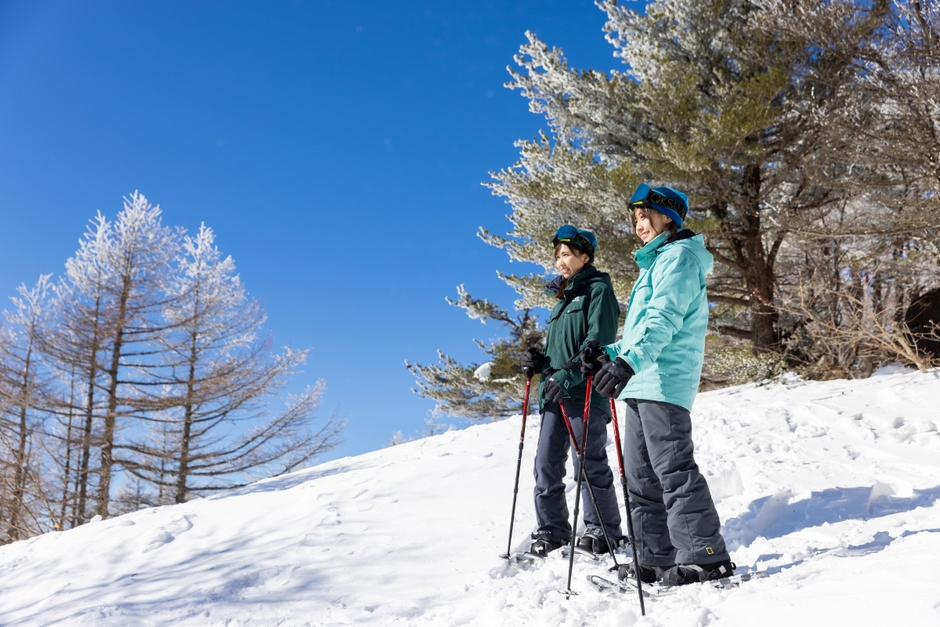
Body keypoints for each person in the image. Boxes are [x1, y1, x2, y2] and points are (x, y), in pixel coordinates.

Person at [580, 184, 735, 586]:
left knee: (673, 470)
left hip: (663, 380)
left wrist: (628, 360)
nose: (638, 224)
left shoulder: (680, 259)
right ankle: (654, 558)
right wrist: (610, 354)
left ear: (669, 216)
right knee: (639, 477)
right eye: (634, 218)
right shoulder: (656, 264)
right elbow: (638, 332)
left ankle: (707, 555)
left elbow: (662, 322)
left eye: (644, 215)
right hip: (639, 380)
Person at [519, 225, 623, 557]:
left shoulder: (597, 290)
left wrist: (567, 376)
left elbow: (597, 342)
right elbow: (561, 348)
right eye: (558, 256)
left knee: (587, 461)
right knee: (546, 463)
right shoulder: (562, 300)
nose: (560, 261)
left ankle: (601, 528)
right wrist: (541, 362)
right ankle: (552, 528)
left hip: (585, 389)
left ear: (585, 257)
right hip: (554, 393)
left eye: (566, 255)